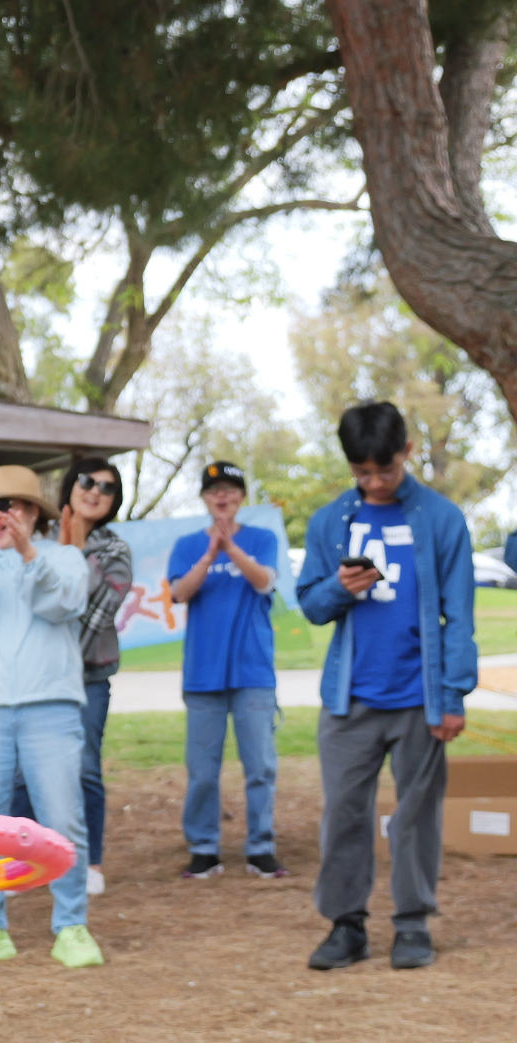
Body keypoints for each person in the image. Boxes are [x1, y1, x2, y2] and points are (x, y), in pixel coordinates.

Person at [297, 402, 474, 971]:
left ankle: (413, 923)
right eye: (362, 472)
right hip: (349, 698)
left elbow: (459, 616)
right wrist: (339, 587)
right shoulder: (331, 521)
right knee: (344, 813)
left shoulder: (442, 519)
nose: (374, 482)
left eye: (385, 470)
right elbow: (311, 605)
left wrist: (452, 695)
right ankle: (346, 926)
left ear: (407, 452)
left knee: (417, 817)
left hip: (420, 697)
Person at [0, 465, 101, 969]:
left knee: (62, 818)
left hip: (51, 707)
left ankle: (71, 925)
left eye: (10, 506)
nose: (0, 516)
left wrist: (29, 553)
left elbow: (62, 604)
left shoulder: (64, 556)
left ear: (34, 512)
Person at [9, 457, 133, 896]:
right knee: (22, 772)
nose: (95, 491)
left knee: (84, 770)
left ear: (115, 501)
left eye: (107, 487)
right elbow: (25, 610)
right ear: (70, 486)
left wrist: (74, 554)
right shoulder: (38, 541)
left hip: (88, 679)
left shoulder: (115, 551)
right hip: (35, 678)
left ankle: (89, 862)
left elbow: (94, 615)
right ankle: (21, 862)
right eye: (87, 481)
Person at [166, 461, 286, 880]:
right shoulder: (187, 545)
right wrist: (210, 553)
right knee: (202, 770)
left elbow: (264, 581)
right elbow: (180, 592)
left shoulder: (263, 539)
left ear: (242, 497)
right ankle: (203, 848)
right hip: (203, 673)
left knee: (261, 767)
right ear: (204, 497)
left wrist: (231, 548)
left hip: (253, 671)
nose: (222, 496)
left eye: (231, 489)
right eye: (214, 490)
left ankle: (261, 846)